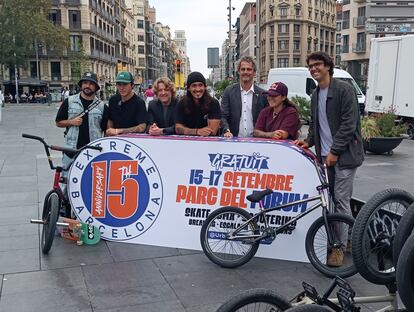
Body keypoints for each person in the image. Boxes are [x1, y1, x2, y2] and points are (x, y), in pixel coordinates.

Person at [294, 51, 364, 267]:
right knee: (332, 200)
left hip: (344, 156)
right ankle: (348, 238)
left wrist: (334, 151)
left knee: (341, 200)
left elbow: (348, 125)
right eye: (311, 66)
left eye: (317, 65)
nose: (314, 69)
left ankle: (338, 248)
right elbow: (316, 123)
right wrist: (309, 141)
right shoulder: (316, 94)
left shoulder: (344, 90)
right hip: (325, 156)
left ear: (328, 66)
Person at [55, 71, 105, 172]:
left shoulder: (102, 106)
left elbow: (105, 130)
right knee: (66, 181)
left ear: (95, 87)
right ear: (81, 85)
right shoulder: (69, 101)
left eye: (91, 84)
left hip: (92, 151)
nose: (88, 86)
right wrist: (71, 122)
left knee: (91, 182)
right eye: (85, 83)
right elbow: (58, 122)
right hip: (71, 150)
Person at [221, 56, 268, 137]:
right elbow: (223, 115)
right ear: (238, 71)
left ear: (254, 72)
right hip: (233, 140)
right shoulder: (229, 91)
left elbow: (268, 119)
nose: (246, 72)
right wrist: (226, 130)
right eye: (243, 69)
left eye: (249, 69)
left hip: (257, 142)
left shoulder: (263, 94)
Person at [175, 71, 221, 136]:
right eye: (194, 86)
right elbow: (178, 129)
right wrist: (196, 131)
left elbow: (212, 131)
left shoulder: (213, 103)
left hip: (209, 143)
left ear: (205, 87)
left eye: (200, 85)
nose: (198, 89)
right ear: (188, 88)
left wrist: (186, 130)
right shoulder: (181, 103)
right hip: (187, 142)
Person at [105, 71, 147, 136]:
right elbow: (110, 119)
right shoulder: (113, 100)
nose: (121, 88)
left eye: (125, 84)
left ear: (132, 85)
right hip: (115, 140)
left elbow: (142, 127)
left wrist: (119, 131)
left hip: (132, 141)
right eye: (119, 84)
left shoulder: (139, 102)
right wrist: (110, 130)